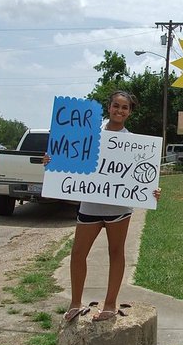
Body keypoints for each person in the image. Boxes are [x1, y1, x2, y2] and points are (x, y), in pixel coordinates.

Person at [43, 91, 160, 322]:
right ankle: (75, 302)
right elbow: (68, 156)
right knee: (77, 253)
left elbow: (143, 178)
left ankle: (110, 304)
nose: (119, 110)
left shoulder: (135, 143)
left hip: (119, 208)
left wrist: (152, 191)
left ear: (130, 112)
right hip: (90, 206)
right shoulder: (89, 134)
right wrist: (51, 161)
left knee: (116, 253)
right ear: (109, 107)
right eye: (116, 105)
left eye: (124, 107)